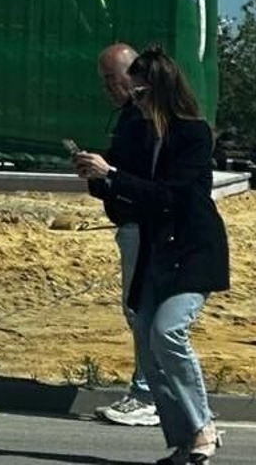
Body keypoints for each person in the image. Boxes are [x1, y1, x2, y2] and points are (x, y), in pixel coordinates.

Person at [73, 46, 229, 464]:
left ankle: (204, 427)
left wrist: (114, 175)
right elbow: (129, 189)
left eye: (139, 94)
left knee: (167, 332)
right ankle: (183, 442)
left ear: (160, 91)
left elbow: (170, 197)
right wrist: (97, 176)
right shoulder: (141, 134)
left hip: (192, 250)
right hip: (155, 251)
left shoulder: (193, 134)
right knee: (146, 338)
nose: (133, 102)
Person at [87, 43, 161, 428]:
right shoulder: (132, 119)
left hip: (141, 225)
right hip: (133, 222)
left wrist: (107, 176)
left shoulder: (144, 120)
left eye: (110, 79)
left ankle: (148, 392)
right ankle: (153, 391)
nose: (107, 89)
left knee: (144, 312)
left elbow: (137, 177)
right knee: (143, 312)